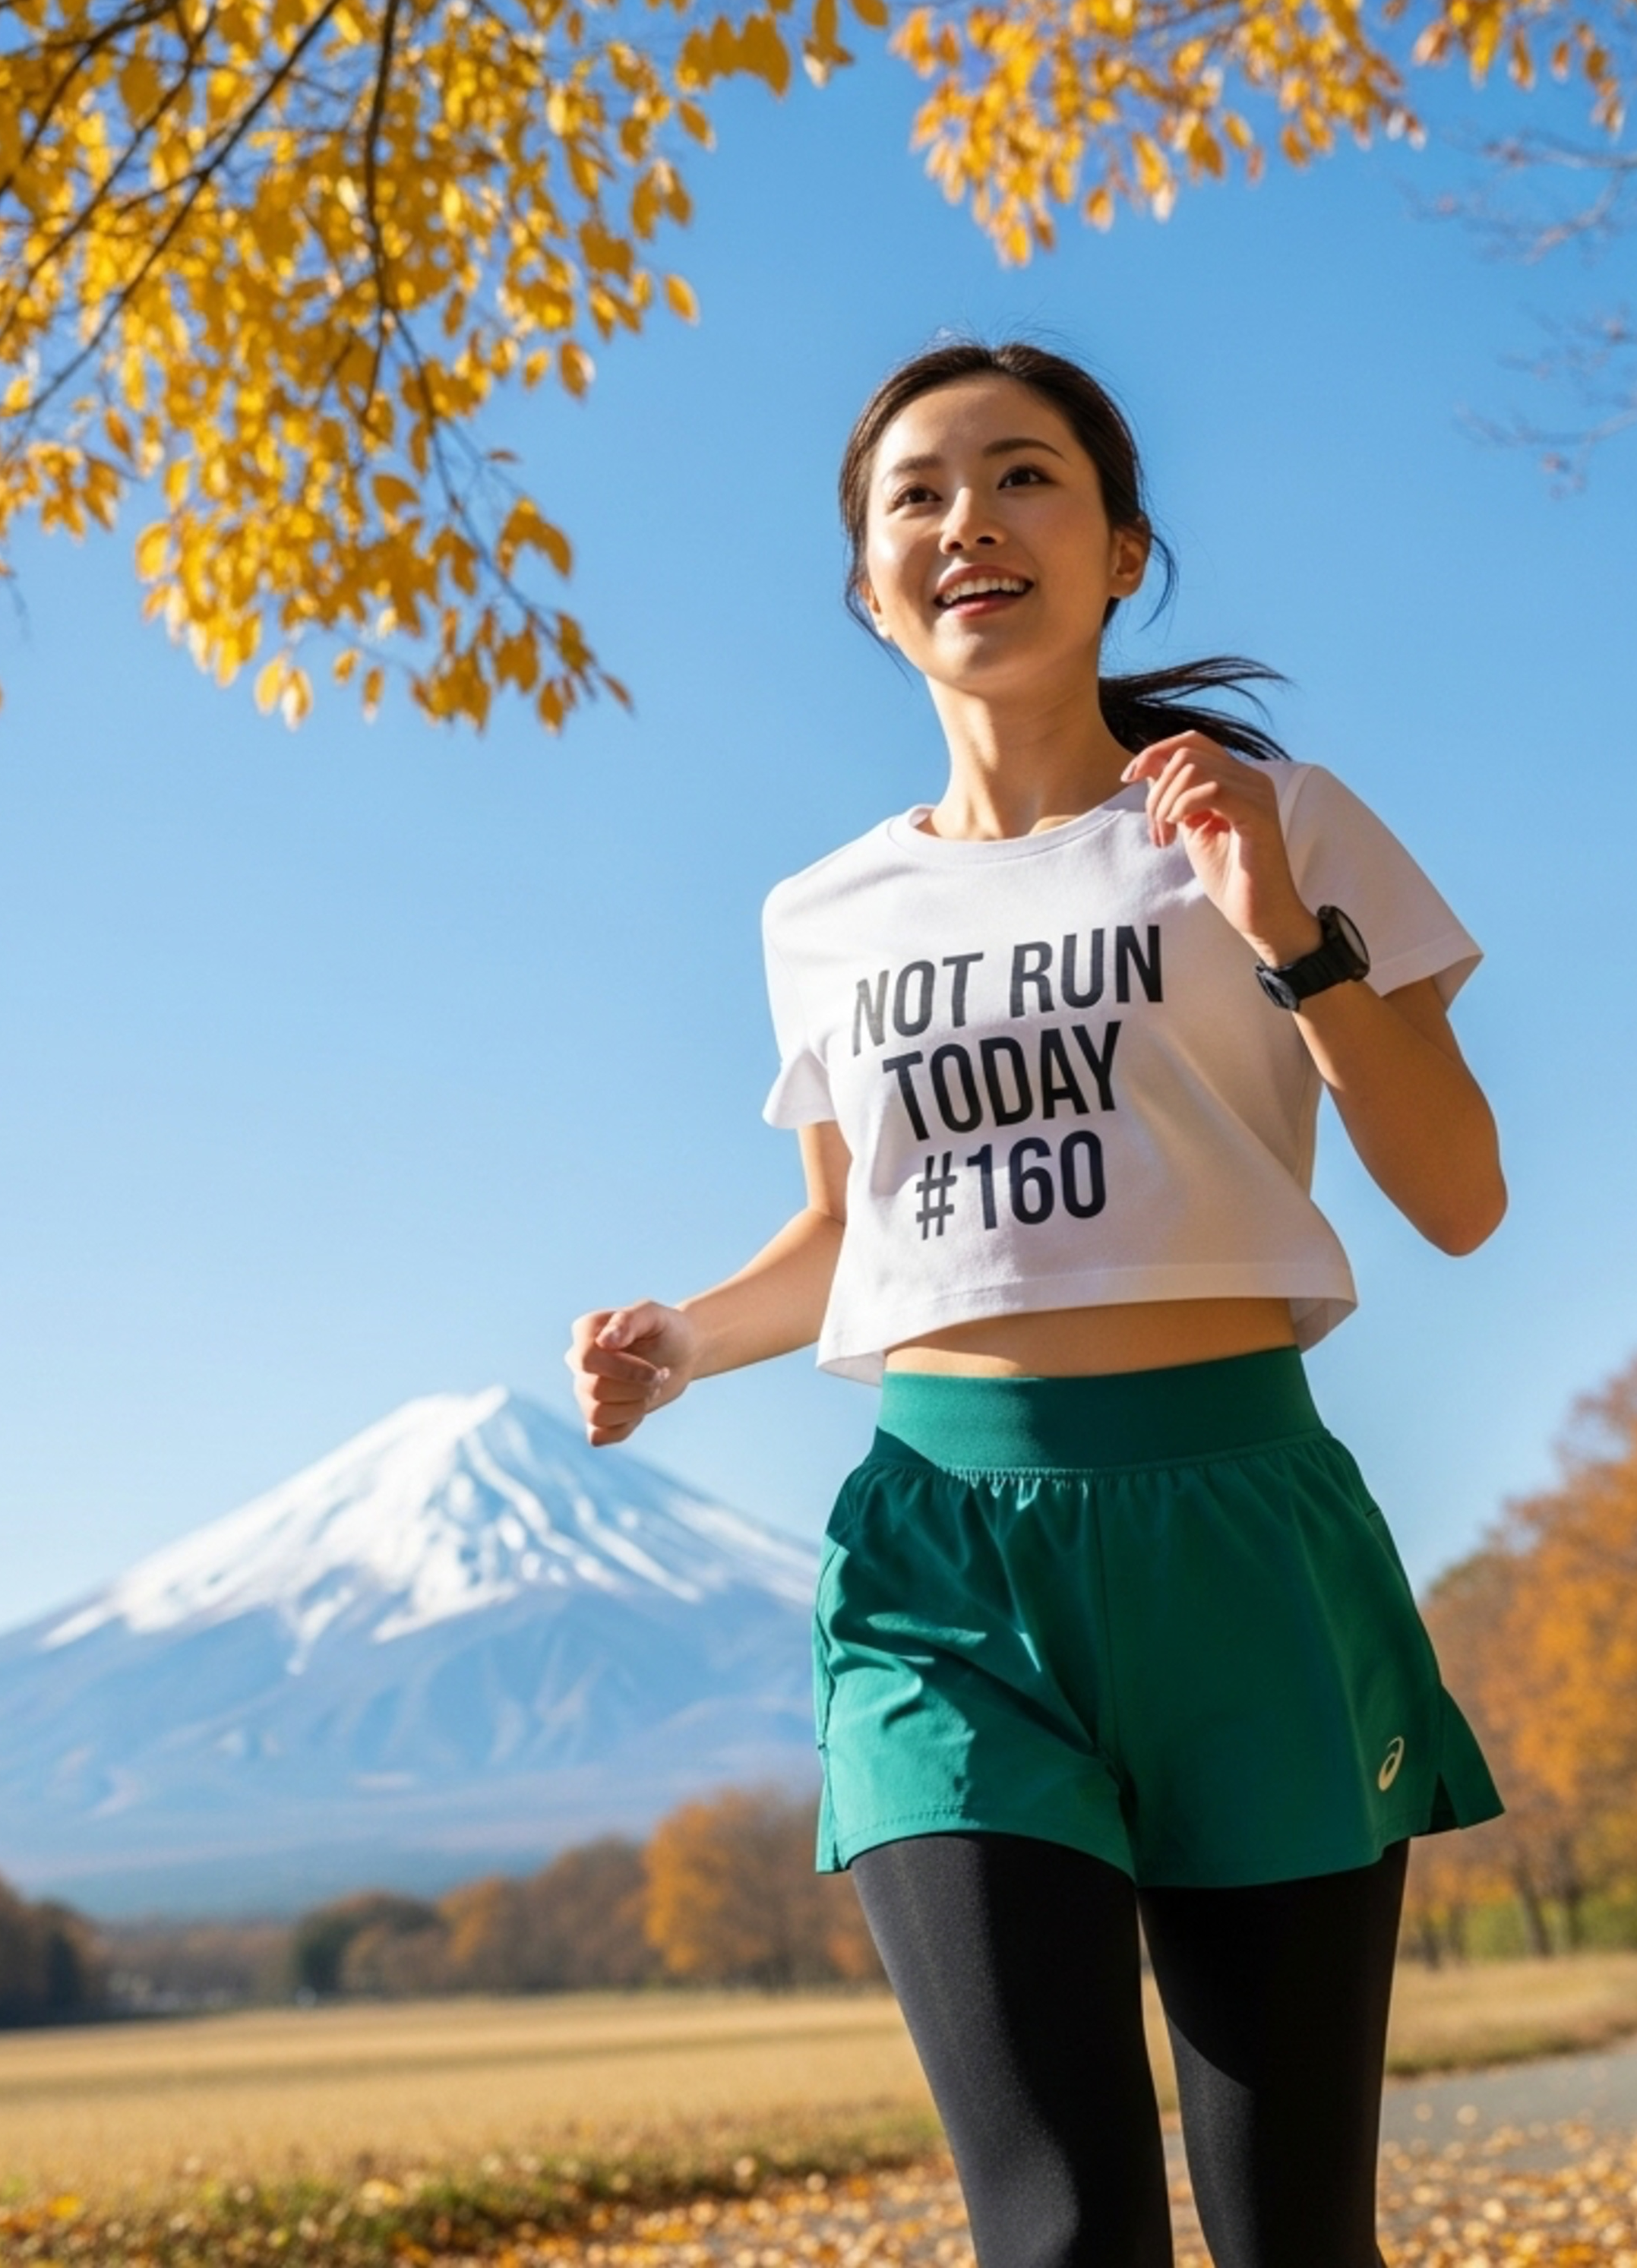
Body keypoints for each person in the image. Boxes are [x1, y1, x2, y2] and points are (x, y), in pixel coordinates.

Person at [568, 340, 1506, 2268]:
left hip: (1239, 1534)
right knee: (1059, 2224)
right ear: (866, 581)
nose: (966, 522)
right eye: (916, 494)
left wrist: (1284, 932)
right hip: (939, 1565)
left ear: (1120, 550)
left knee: (1293, 2235)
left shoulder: (1280, 817)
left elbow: (1460, 1198)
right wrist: (687, 1340)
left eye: (1022, 477)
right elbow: (854, 1231)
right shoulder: (820, 914)